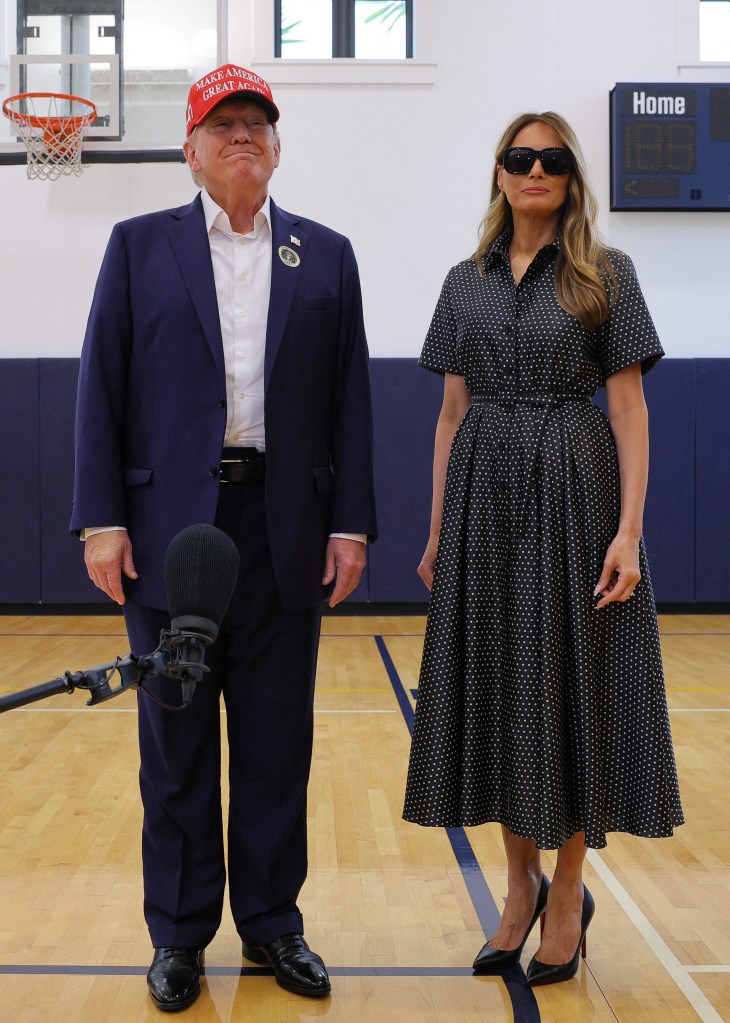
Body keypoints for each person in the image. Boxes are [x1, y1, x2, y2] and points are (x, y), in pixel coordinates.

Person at [72, 64, 377, 1012]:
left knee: (278, 745)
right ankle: (178, 934)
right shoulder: (135, 249)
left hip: (284, 530)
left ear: (277, 147)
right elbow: (101, 387)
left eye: (259, 123)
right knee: (175, 749)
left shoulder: (327, 256)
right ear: (191, 149)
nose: (243, 134)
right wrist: (101, 519)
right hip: (172, 537)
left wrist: (352, 523)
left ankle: (274, 924)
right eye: (224, 123)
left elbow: (349, 405)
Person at [403, 111, 683, 987]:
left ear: (570, 176)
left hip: (576, 490)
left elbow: (629, 409)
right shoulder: (463, 280)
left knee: (568, 686)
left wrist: (630, 531)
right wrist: (439, 528)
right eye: (519, 158)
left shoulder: (608, 275)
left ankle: (568, 889)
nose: (534, 170)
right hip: (484, 494)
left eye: (551, 159)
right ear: (498, 173)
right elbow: (451, 414)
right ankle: (516, 883)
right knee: (496, 685)